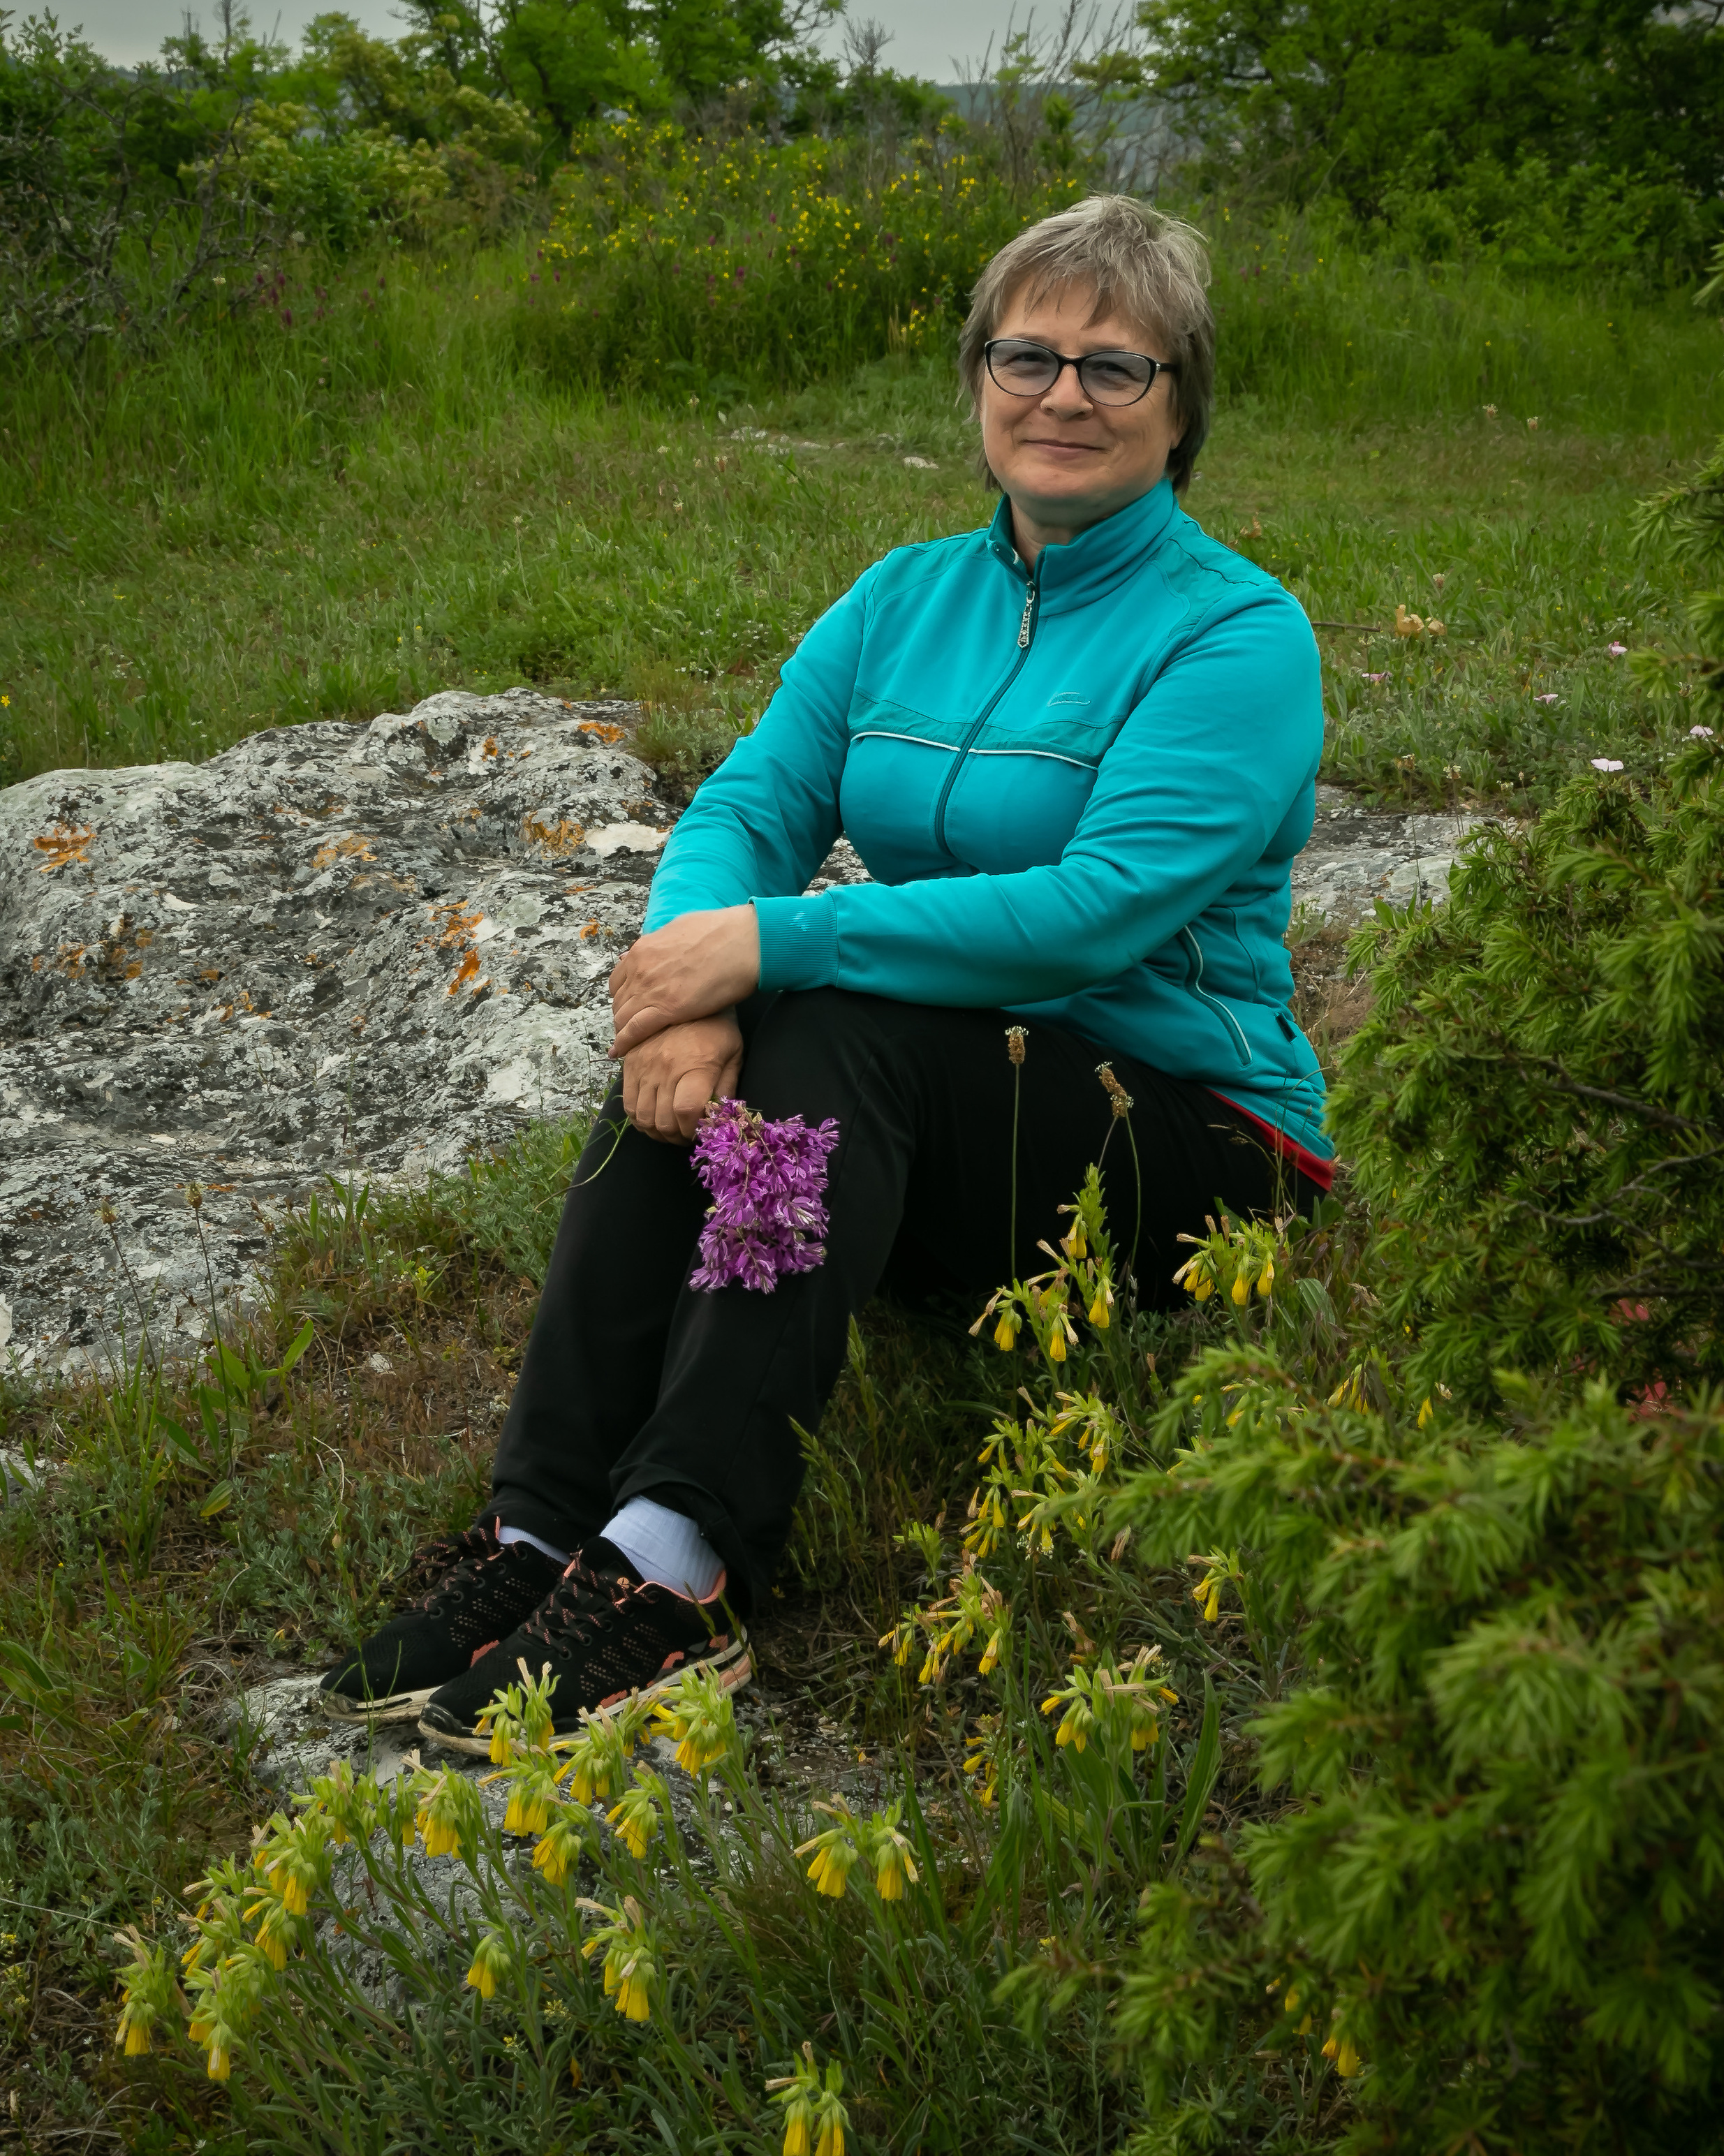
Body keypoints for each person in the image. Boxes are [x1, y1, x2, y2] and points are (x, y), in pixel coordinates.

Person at [318, 193, 1329, 1747]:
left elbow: (1094, 911)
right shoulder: (900, 597)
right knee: (765, 1033)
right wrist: (697, 989)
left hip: (1185, 1145)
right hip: (945, 1139)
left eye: (1113, 369)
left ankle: (680, 1565)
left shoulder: (1236, 636)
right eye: (1026, 354)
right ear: (975, 379)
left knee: (833, 1009)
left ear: (1179, 407)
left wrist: (765, 945)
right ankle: (538, 1537)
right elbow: (749, 804)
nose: (1061, 394)